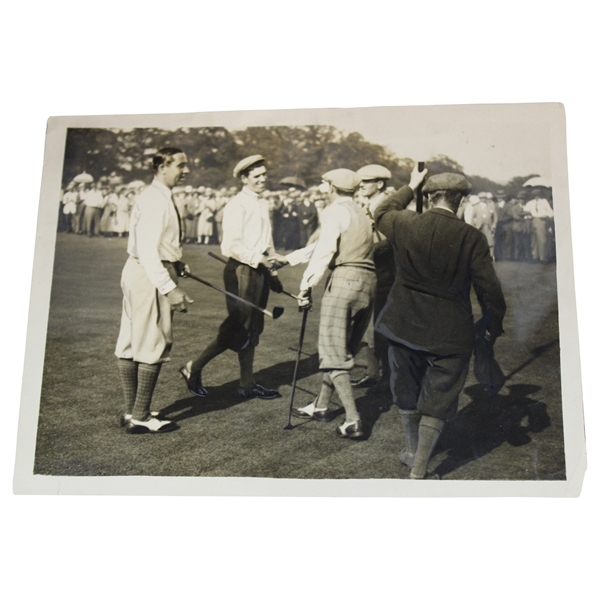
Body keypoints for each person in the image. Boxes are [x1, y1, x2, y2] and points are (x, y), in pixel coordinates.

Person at [374, 171, 506, 478]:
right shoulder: (472, 237)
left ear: (430, 197)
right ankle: (419, 468)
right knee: (441, 396)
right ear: (459, 201)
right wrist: (492, 324)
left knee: (405, 390)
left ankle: (411, 450)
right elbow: (490, 290)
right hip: (450, 331)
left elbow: (380, 211)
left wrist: (410, 186)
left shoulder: (405, 223)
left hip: (403, 323)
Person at [179, 155, 284, 400]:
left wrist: (273, 272)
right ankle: (192, 367)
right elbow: (231, 246)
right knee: (238, 328)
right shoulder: (237, 204)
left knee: (253, 328)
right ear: (244, 179)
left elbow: (267, 242)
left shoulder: (261, 202)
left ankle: (247, 383)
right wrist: (260, 261)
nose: (262, 179)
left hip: (259, 270)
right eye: (256, 176)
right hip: (241, 271)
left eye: (264, 174)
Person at [290, 169, 376, 439]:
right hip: (369, 284)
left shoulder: (333, 211)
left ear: (331, 187)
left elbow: (325, 250)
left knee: (332, 352)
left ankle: (353, 419)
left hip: (344, 282)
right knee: (342, 349)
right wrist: (289, 259)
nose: (323, 187)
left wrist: (306, 286)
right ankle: (322, 405)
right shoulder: (363, 211)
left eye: (324, 183)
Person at [114, 147, 193, 434]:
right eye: (180, 165)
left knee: (131, 341)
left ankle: (132, 410)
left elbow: (153, 243)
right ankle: (141, 417)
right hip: (148, 273)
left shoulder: (157, 196)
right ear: (162, 166)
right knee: (153, 342)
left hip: (140, 270)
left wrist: (176, 260)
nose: (185, 170)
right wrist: (170, 287)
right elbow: (147, 249)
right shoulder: (155, 199)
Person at [351, 164, 395, 403]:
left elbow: (388, 242)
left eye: (367, 182)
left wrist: (362, 250)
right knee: (366, 325)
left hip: (384, 273)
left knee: (381, 327)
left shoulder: (387, 207)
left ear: (379, 184)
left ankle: (388, 379)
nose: (362, 186)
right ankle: (372, 372)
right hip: (367, 270)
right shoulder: (363, 205)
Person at [524, 185, 554, 263]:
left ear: (540, 195)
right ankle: (535, 256)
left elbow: (550, 212)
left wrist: (546, 215)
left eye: (538, 195)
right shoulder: (530, 203)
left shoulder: (544, 202)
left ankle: (543, 257)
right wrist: (527, 216)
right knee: (533, 239)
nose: (536, 197)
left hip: (541, 220)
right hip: (532, 220)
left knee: (542, 239)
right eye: (535, 195)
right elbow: (525, 212)